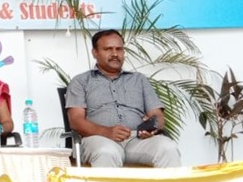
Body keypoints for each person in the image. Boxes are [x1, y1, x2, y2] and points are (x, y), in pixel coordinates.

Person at [65, 29, 181, 167]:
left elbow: (157, 115)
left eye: (119, 49)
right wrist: (106, 132)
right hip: (98, 139)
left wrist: (152, 128)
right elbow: (76, 121)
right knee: (106, 152)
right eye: (108, 49)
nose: (115, 54)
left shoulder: (139, 79)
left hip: (138, 140)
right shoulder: (80, 81)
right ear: (95, 53)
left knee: (168, 148)